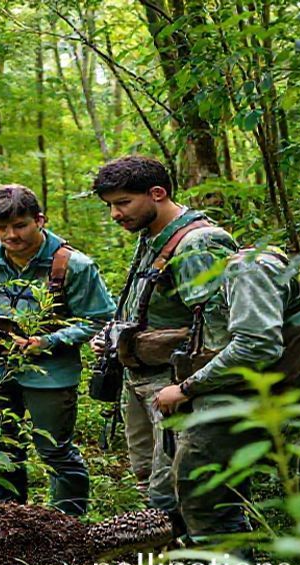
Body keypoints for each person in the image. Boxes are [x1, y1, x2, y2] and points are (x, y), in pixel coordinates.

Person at [0, 184, 115, 516]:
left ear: (40, 220)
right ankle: (7, 520)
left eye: (20, 225)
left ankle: (68, 526)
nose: (10, 235)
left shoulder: (74, 265)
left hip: (50, 373)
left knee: (55, 452)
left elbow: (101, 319)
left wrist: (48, 341)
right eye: (1, 228)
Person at [89, 155, 238, 512]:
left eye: (123, 203)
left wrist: (190, 388)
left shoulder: (197, 244)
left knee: (180, 492)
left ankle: (201, 564)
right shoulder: (153, 237)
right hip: (142, 379)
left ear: (157, 193)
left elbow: (218, 334)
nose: (115, 214)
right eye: (110, 206)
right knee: (148, 482)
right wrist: (113, 336)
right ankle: (165, 558)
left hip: (176, 386)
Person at [152, 247, 300, 537]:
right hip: (237, 396)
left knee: (207, 502)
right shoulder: (236, 273)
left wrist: (186, 388)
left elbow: (255, 345)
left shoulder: (248, 269)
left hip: (242, 398)